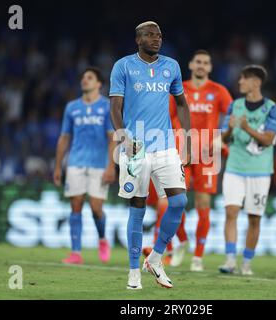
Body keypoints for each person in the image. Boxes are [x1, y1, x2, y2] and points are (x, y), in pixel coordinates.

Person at [109, 21, 191, 290]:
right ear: (138, 39)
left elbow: (181, 103)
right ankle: (133, 272)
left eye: (159, 35)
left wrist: (187, 140)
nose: (156, 39)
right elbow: (115, 106)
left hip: (166, 146)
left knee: (179, 202)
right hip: (136, 148)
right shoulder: (123, 66)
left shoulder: (172, 66)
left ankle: (155, 258)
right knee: (138, 207)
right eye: (150, 35)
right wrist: (123, 136)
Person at [145, 50, 233, 271]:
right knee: (172, 202)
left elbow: (233, 114)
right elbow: (166, 116)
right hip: (181, 150)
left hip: (207, 154)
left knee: (203, 204)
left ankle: (197, 257)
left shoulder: (218, 91)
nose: (202, 65)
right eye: (198, 62)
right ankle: (181, 241)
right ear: (191, 65)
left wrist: (221, 138)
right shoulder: (178, 88)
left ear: (210, 67)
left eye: (206, 62)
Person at [219, 65, 276, 275]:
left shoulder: (271, 108)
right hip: (235, 167)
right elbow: (223, 139)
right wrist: (229, 129)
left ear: (256, 82)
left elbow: (269, 139)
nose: (240, 83)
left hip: (260, 171)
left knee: (254, 218)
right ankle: (229, 261)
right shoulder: (234, 106)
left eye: (243, 79)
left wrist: (246, 128)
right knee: (231, 212)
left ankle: (246, 263)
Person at [54, 66, 116, 265]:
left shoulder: (107, 106)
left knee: (96, 208)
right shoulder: (72, 107)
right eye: (83, 78)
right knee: (76, 205)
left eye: (89, 78)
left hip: (99, 164)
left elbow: (112, 138)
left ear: (98, 83)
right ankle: (75, 253)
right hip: (75, 162)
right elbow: (64, 138)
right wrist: (57, 166)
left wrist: (111, 166)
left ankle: (102, 239)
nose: (84, 80)